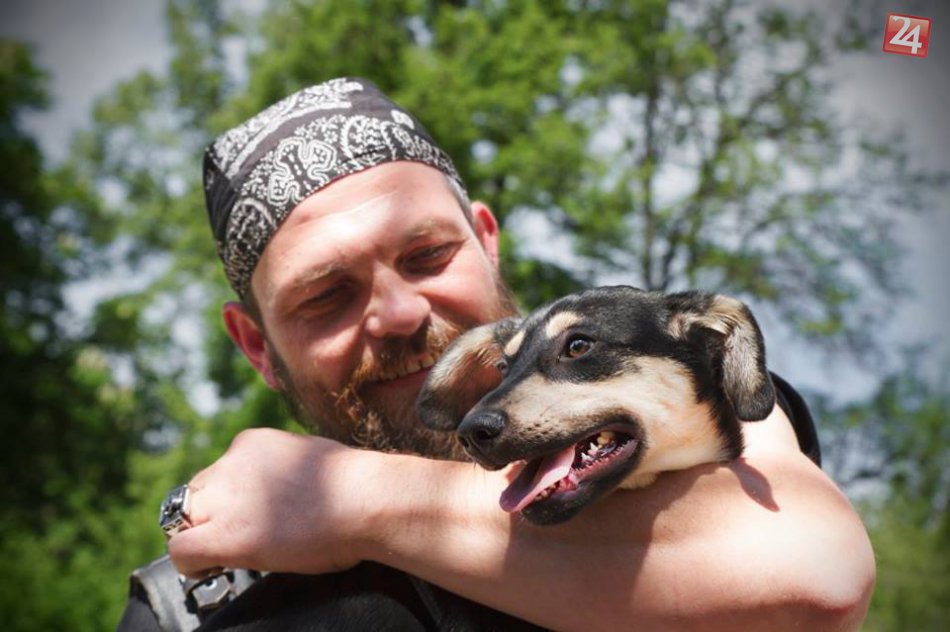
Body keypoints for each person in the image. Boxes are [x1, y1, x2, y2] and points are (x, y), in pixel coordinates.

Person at [118, 77, 874, 631]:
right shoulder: (187, 610)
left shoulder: (677, 404)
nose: (399, 314)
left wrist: (346, 498)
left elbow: (814, 569)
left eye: (427, 255)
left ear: (486, 241)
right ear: (257, 347)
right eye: (326, 296)